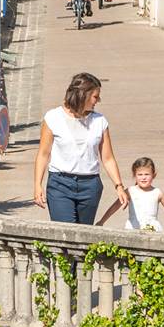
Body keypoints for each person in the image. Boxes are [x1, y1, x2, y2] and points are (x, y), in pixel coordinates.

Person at [34, 72, 129, 224]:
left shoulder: (100, 121)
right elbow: (43, 154)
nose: (98, 100)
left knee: (84, 235)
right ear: (83, 95)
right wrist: (37, 185)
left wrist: (119, 186)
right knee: (66, 233)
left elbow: (108, 158)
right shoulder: (53, 117)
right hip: (60, 184)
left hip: (90, 186)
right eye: (95, 96)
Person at [98, 158, 164, 233]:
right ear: (134, 175)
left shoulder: (158, 192)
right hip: (133, 229)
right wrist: (102, 221)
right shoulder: (130, 191)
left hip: (153, 230)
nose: (143, 178)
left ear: (154, 175)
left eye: (147, 174)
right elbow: (114, 207)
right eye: (140, 175)